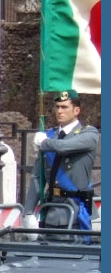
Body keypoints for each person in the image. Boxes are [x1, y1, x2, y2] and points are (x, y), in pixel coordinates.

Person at [23, 89, 100, 229]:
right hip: (51, 211)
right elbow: (37, 177)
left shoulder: (89, 134)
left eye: (64, 107)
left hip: (77, 213)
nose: (59, 111)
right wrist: (28, 213)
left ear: (76, 111)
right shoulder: (50, 136)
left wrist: (44, 143)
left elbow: (64, 147)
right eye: (57, 107)